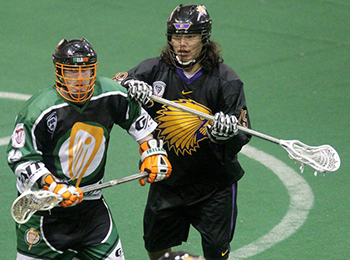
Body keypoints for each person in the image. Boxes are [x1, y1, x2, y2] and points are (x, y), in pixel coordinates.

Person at [7, 38, 172, 260]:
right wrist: (54, 186)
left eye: (86, 71)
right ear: (59, 71)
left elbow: (137, 120)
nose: (80, 79)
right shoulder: (38, 110)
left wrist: (152, 151)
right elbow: (21, 159)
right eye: (72, 72)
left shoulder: (109, 94)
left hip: (92, 209)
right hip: (45, 212)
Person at [112, 4, 251, 260]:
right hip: (168, 180)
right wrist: (128, 85)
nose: (182, 44)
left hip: (214, 187)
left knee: (216, 255)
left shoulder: (226, 81)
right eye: (176, 36)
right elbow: (113, 89)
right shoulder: (153, 70)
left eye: (190, 37)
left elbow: (243, 131)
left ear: (204, 39)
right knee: (155, 249)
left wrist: (226, 133)